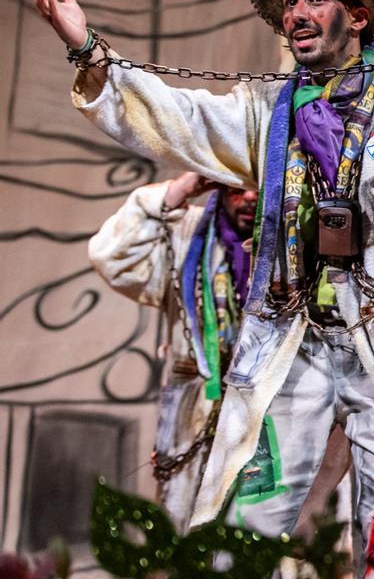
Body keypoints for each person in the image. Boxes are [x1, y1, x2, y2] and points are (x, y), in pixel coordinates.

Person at [29, 0, 374, 569]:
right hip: (291, 347)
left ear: (356, 16)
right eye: (290, 1)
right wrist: (90, 50)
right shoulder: (264, 111)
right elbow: (177, 117)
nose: (296, 13)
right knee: (244, 528)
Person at [89, 172, 257, 528]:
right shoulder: (186, 232)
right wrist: (178, 191)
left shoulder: (290, 243)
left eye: (259, 186)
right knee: (182, 520)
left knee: (258, 525)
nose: (249, 197)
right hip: (191, 404)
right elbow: (111, 257)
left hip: (264, 407)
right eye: (236, 186)